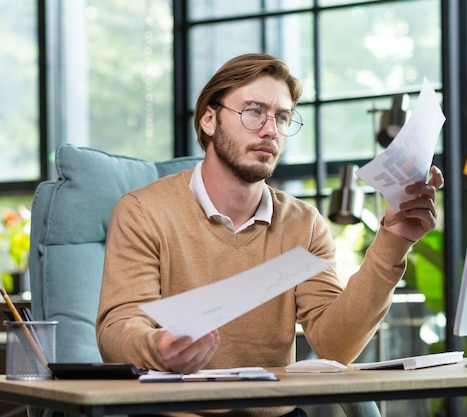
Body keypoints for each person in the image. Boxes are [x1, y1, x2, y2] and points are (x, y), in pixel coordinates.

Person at [96, 53, 444, 417]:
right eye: (254, 111)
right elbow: (118, 329)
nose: (270, 130)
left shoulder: (304, 223)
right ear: (210, 119)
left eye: (282, 117)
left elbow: (334, 347)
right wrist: (159, 347)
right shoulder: (143, 211)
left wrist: (393, 242)